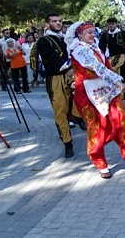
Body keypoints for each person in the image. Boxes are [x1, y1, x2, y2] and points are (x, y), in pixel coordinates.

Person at [66, 21, 125, 179]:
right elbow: (97, 67)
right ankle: (99, 161)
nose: (93, 35)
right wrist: (118, 80)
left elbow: (106, 66)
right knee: (97, 126)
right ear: (79, 35)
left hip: (105, 88)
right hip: (87, 91)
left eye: (94, 32)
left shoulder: (96, 48)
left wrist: (115, 82)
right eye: (89, 33)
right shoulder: (79, 49)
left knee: (121, 118)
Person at [37, 12, 80, 158]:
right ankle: (68, 143)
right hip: (55, 78)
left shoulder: (66, 39)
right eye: (55, 21)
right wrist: (68, 69)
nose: (59, 23)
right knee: (60, 111)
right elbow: (53, 58)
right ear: (47, 24)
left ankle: (77, 117)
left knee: (81, 97)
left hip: (71, 75)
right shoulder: (43, 41)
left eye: (60, 21)